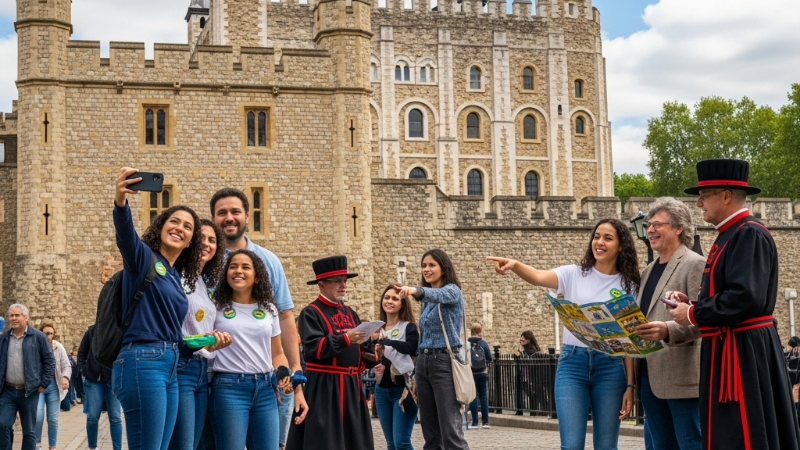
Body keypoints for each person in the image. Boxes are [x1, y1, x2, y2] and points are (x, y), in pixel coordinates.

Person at [670, 159, 800, 449]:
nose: (699, 203)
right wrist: (693, 304)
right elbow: (731, 293)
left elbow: (745, 297)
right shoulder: (731, 234)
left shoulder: (748, 233)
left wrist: (693, 313)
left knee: (745, 431)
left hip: (744, 352)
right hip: (731, 348)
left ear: (726, 195)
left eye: (704, 195)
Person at [487, 218, 639, 450]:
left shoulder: (630, 286)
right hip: (572, 364)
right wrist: (515, 265)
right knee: (571, 445)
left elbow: (628, 341)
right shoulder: (573, 274)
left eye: (608, 238)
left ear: (621, 246)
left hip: (611, 367)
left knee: (607, 446)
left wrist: (629, 385)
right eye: (596, 236)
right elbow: (538, 276)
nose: (599, 242)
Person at [113, 167, 228, 450]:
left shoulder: (175, 277)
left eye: (188, 227)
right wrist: (120, 201)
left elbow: (176, 337)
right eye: (174, 221)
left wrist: (205, 341)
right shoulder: (144, 258)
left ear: (191, 242)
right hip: (143, 360)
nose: (180, 228)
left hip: (171, 362)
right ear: (161, 226)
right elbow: (126, 235)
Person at [210, 188, 307, 448]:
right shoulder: (206, 260)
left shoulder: (269, 260)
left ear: (247, 215)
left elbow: (285, 317)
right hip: (222, 381)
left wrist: (293, 370)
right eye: (222, 213)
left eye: (235, 212)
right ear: (213, 218)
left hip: (265, 383)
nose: (229, 218)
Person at [631, 197, 705, 450]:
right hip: (649, 375)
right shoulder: (648, 271)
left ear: (679, 228)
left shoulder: (695, 263)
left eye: (657, 225)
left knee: (691, 444)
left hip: (682, 377)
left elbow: (704, 318)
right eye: (649, 225)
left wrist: (667, 330)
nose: (650, 230)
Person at [208, 249, 296, 450]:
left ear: (257, 277)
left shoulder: (269, 309)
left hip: (265, 388)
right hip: (229, 388)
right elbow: (204, 345)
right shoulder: (216, 307)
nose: (238, 271)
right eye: (233, 266)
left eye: (245, 267)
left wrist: (283, 373)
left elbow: (277, 353)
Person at [286, 255, 375, 450]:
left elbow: (359, 350)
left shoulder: (351, 312)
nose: (343, 286)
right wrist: (345, 339)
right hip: (325, 388)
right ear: (321, 285)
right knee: (325, 442)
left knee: (353, 441)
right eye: (337, 281)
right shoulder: (310, 312)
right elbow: (314, 348)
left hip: (351, 388)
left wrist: (371, 355)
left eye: (344, 281)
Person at [394, 248, 470, 450]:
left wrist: (415, 291)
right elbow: (424, 337)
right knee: (431, 434)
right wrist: (416, 373)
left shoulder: (452, 291)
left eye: (431, 265)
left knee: (451, 432)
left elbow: (439, 294)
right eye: (423, 265)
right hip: (424, 362)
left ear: (443, 268)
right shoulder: (427, 302)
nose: (426, 269)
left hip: (444, 362)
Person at [169, 219, 230, 450]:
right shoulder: (174, 275)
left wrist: (211, 342)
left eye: (212, 240)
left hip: (203, 370)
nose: (206, 244)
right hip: (180, 367)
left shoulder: (205, 283)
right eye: (201, 238)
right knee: (183, 445)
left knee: (193, 444)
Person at [0, 304, 55, 450]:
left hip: (29, 391)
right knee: (3, 425)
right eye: (11, 315)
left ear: (26, 317)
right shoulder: (4, 338)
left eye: (17, 315)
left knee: (29, 431)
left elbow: (49, 361)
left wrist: (44, 382)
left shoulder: (38, 337)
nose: (13, 318)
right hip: (7, 391)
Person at [373, 285, 419, 450]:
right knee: (391, 444)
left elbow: (411, 348)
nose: (389, 301)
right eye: (386, 297)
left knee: (402, 443)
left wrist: (387, 342)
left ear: (402, 303)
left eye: (395, 298)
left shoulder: (408, 327)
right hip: (381, 390)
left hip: (402, 390)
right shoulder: (377, 329)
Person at [78, 325, 123, 450]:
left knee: (115, 417)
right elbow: (82, 353)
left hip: (112, 380)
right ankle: (92, 447)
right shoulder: (91, 332)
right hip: (94, 380)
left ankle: (117, 448)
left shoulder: (118, 331)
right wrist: (84, 370)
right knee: (92, 416)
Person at [34, 322, 71, 450]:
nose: (48, 336)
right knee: (38, 416)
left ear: (53, 334)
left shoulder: (58, 347)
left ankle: (52, 447)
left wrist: (65, 378)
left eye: (50, 333)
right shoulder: (35, 346)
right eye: (46, 333)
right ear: (41, 334)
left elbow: (66, 365)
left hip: (54, 386)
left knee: (53, 419)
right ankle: (37, 444)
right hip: (38, 387)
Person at [467, 323, 492, 429]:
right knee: (483, 397)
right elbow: (489, 358)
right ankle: (486, 422)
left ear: (471, 331)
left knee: (473, 397)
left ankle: (474, 423)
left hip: (472, 373)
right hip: (482, 372)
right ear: (480, 331)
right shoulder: (483, 343)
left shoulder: (467, 343)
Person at [516, 330, 542, 414]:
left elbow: (526, 360)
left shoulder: (532, 349)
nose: (521, 339)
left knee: (531, 394)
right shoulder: (523, 348)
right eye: (521, 337)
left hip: (530, 375)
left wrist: (522, 351)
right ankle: (520, 411)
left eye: (523, 337)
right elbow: (517, 358)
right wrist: (519, 349)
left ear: (528, 339)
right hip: (523, 374)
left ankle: (533, 411)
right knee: (521, 392)